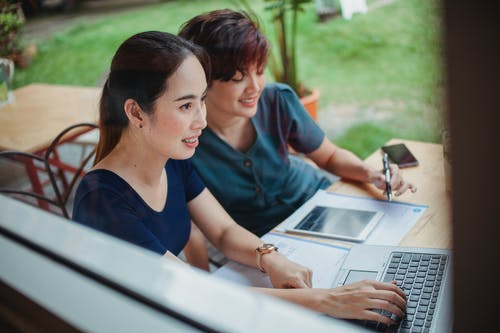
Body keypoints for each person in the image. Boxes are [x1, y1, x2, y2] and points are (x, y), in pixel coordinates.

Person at [72, 31, 406, 324]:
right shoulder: (104, 199)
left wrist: (270, 257)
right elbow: (196, 293)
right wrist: (330, 300)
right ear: (135, 112)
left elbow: (224, 230)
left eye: (201, 100)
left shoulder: (171, 159)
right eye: (186, 106)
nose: (201, 120)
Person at [178, 9, 417, 237]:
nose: (255, 87)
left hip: (317, 198)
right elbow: (195, 229)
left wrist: (372, 174)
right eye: (238, 78)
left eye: (260, 71)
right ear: (202, 82)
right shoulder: (184, 141)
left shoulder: (277, 99)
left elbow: (330, 156)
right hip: (263, 238)